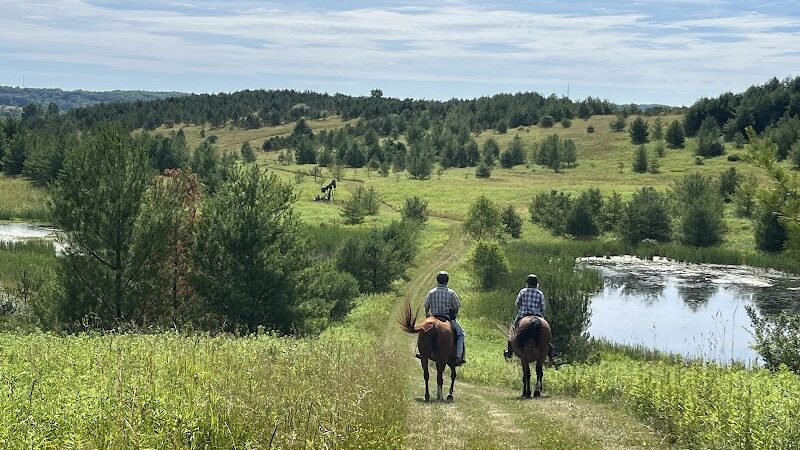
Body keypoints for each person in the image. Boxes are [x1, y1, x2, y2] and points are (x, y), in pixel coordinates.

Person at [417, 271, 466, 365]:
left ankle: (419, 351)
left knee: (422, 331)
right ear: (447, 281)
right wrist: (454, 313)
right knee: (461, 334)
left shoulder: (431, 292)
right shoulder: (451, 293)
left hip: (433, 317)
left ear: (437, 280)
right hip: (447, 317)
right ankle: (459, 356)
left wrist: (427, 315)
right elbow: (456, 306)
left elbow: (426, 306)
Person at [503, 274, 545, 359]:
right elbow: (543, 307)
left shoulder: (523, 291)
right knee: (546, 330)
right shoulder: (540, 293)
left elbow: (517, 303)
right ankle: (550, 351)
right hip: (537, 316)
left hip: (523, 315)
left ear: (527, 283)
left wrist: (522, 308)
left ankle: (509, 352)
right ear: (536, 284)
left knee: (512, 331)